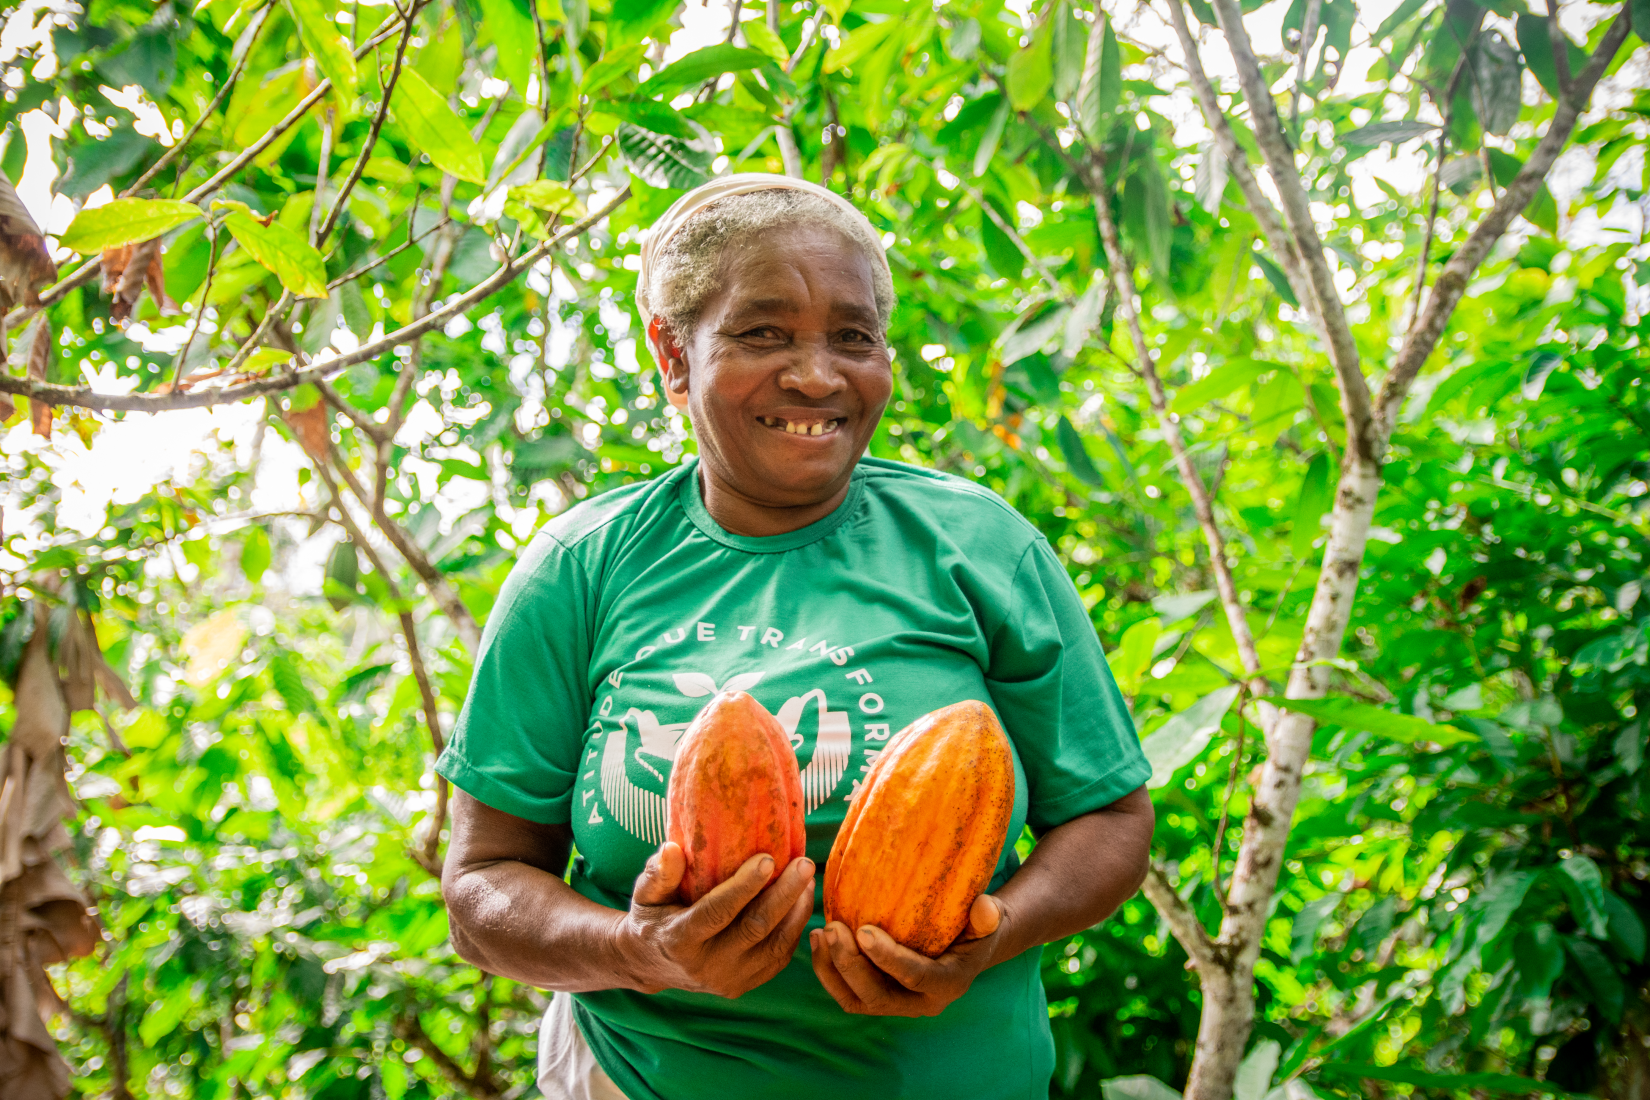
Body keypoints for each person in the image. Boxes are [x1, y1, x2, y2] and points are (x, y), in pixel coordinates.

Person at [437, 173, 1155, 1100]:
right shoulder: (583, 567)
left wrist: (989, 936)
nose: (817, 375)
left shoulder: (980, 547)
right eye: (762, 332)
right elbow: (484, 887)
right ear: (674, 353)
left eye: (853, 337)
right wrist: (637, 950)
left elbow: (1111, 821)